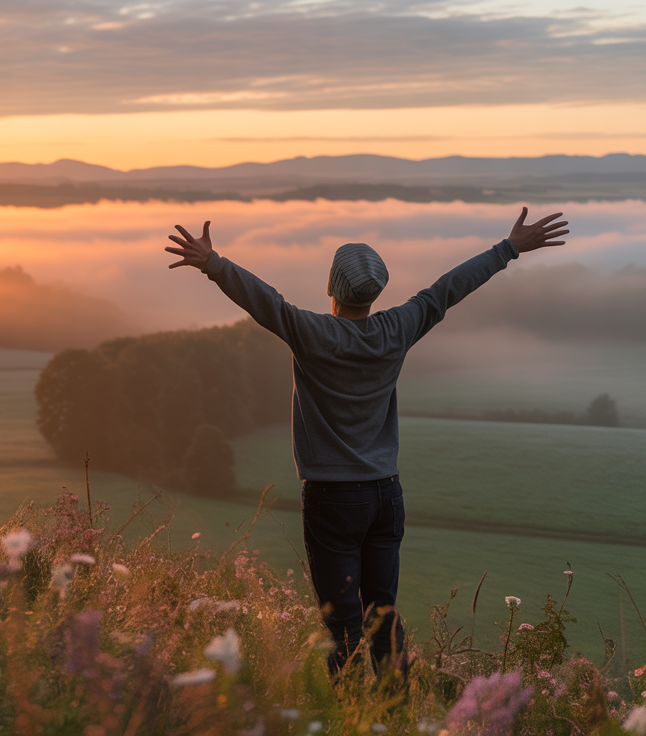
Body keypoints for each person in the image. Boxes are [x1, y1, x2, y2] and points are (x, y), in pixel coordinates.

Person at [165, 207, 569, 677]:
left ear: (332, 287)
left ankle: (352, 715)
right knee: (384, 619)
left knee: (343, 628)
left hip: (332, 497)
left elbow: (265, 301)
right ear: (376, 290)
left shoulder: (312, 333)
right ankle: (393, 709)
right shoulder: (397, 329)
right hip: (385, 494)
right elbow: (447, 290)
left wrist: (212, 263)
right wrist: (508, 248)